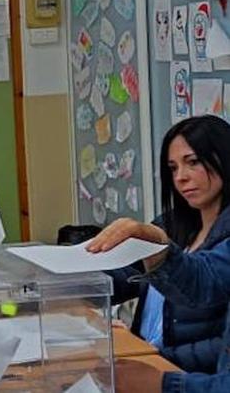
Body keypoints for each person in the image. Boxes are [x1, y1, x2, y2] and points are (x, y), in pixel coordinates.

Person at [87, 115, 230, 392]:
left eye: (193, 162)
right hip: (146, 359)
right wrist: (68, 272)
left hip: (181, 372)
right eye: (173, 168)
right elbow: (123, 274)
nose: (181, 177)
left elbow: (201, 283)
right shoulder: (173, 224)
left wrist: (155, 359)